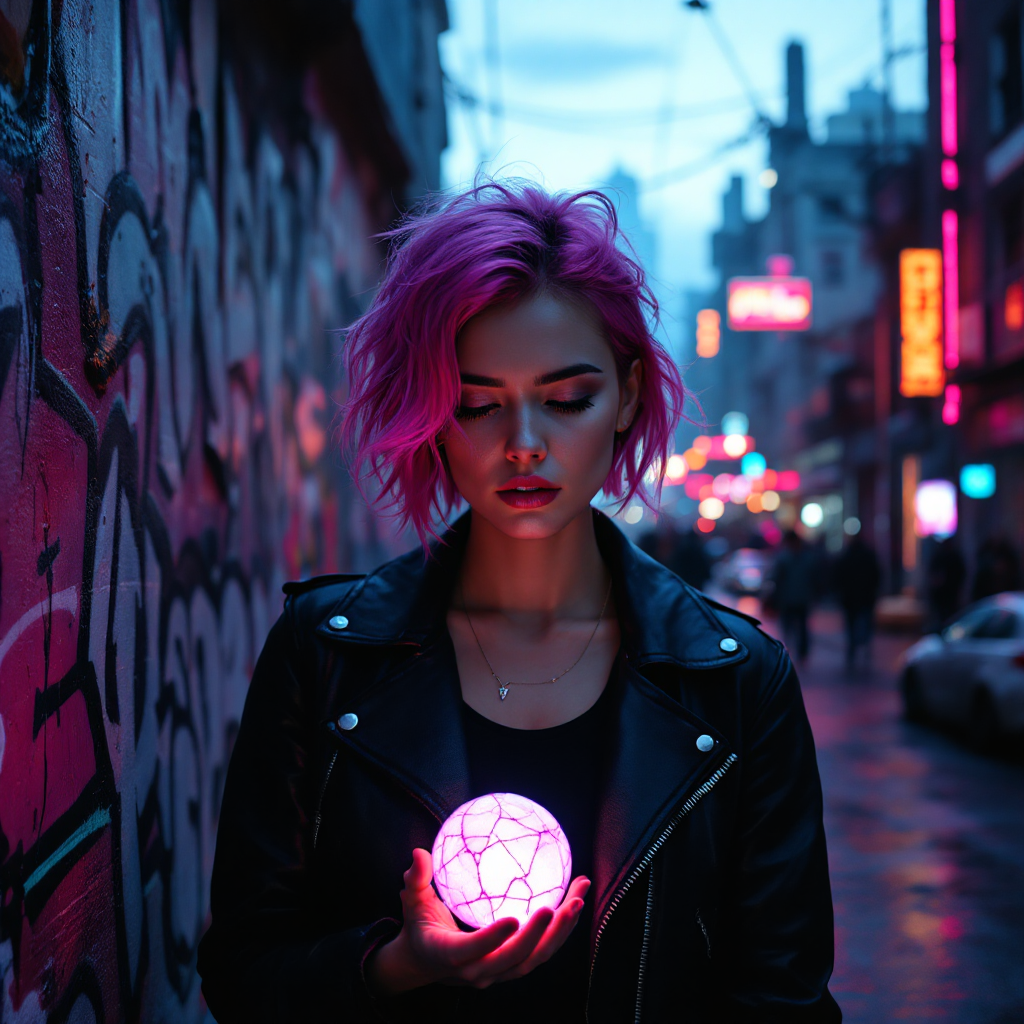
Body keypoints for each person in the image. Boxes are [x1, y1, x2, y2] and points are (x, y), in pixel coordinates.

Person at [197, 183, 840, 1022]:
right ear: (434, 416)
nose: (525, 443)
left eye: (568, 399)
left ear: (628, 397)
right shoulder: (324, 656)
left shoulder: (739, 683)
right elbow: (243, 971)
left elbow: (783, 998)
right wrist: (393, 965)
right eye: (478, 403)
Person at [834, 534, 881, 671]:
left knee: (851, 624)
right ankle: (865, 647)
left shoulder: (846, 556)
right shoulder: (868, 556)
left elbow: (838, 576)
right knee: (866, 622)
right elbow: (876, 574)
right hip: (866, 596)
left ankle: (852, 649)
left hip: (850, 598)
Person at [772, 530, 818, 664]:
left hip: (789, 598)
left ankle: (789, 651)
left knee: (790, 627)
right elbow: (814, 579)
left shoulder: (784, 558)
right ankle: (801, 653)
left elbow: (778, 579)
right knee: (801, 627)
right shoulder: (807, 557)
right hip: (801, 598)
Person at [924, 537, 966, 632]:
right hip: (942, 594)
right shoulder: (941, 556)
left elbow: (961, 573)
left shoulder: (952, 556)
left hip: (949, 593)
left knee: (949, 615)